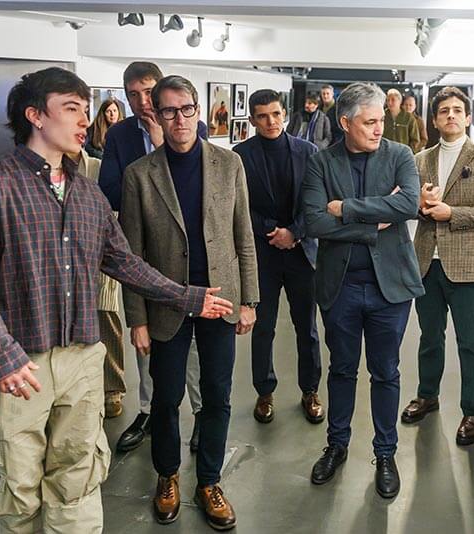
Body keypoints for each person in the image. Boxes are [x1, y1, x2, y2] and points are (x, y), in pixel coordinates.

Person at [0, 66, 234, 534]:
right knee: (15, 490)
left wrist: (188, 296)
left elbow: (125, 263)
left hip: (82, 359)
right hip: (22, 364)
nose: (84, 121)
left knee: (78, 478)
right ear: (35, 115)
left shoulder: (86, 194)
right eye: (72, 109)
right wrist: (1, 356)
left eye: (85, 110)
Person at [119, 75, 258, 530]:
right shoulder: (139, 174)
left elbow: (244, 238)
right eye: (169, 111)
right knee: (166, 397)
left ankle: (210, 481)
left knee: (217, 396)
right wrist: (136, 318)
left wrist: (249, 301)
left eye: (186, 109)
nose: (179, 119)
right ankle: (167, 475)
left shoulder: (229, 163)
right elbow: (132, 256)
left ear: (198, 110)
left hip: (220, 299)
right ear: (155, 115)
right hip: (166, 303)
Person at [302, 82, 424, 499]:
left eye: (381, 121)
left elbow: (408, 205)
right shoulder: (321, 163)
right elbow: (315, 222)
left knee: (386, 372)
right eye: (369, 122)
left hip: (391, 289)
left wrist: (348, 209)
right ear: (345, 123)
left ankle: (385, 454)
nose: (378, 129)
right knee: (341, 370)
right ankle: (337, 446)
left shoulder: (400, 155)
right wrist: (375, 221)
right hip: (341, 287)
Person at [98, 61, 207, 453]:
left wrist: (165, 145)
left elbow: (197, 188)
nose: (142, 101)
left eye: (148, 92)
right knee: (149, 344)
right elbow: (110, 189)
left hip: (191, 258)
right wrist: (145, 177)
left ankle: (199, 414)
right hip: (145, 253)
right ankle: (147, 411)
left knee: (193, 348)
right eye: (133, 94)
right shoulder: (121, 135)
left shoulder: (189, 126)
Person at [401, 87, 474, 446]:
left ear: (468, 117)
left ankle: (473, 411)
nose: (450, 115)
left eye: (457, 110)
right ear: (434, 120)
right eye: (444, 110)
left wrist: (453, 214)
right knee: (429, 337)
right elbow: (406, 203)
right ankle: (427, 395)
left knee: (470, 342)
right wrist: (419, 204)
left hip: (467, 267)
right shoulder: (420, 159)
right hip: (426, 264)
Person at [235, 89, 323, 426]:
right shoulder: (241, 155)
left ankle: (310, 391)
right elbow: (239, 207)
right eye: (262, 116)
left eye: (275, 114)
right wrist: (274, 230)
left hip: (302, 254)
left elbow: (316, 202)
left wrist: (295, 232)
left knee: (307, 329)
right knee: (263, 328)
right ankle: (264, 391)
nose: (270, 122)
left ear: (284, 113)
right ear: (252, 119)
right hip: (263, 254)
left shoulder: (309, 152)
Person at [69, 148, 127, 419]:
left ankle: (112, 388)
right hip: (62, 265)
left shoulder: (97, 168)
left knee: (107, 320)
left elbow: (113, 212)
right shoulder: (37, 172)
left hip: (100, 259)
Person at [382, 88, 421, 154]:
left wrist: (409, 153)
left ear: (400, 101)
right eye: (387, 100)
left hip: (403, 155)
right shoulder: (382, 116)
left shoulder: (409, 118)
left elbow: (415, 140)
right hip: (385, 155)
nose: (389, 102)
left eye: (393, 100)